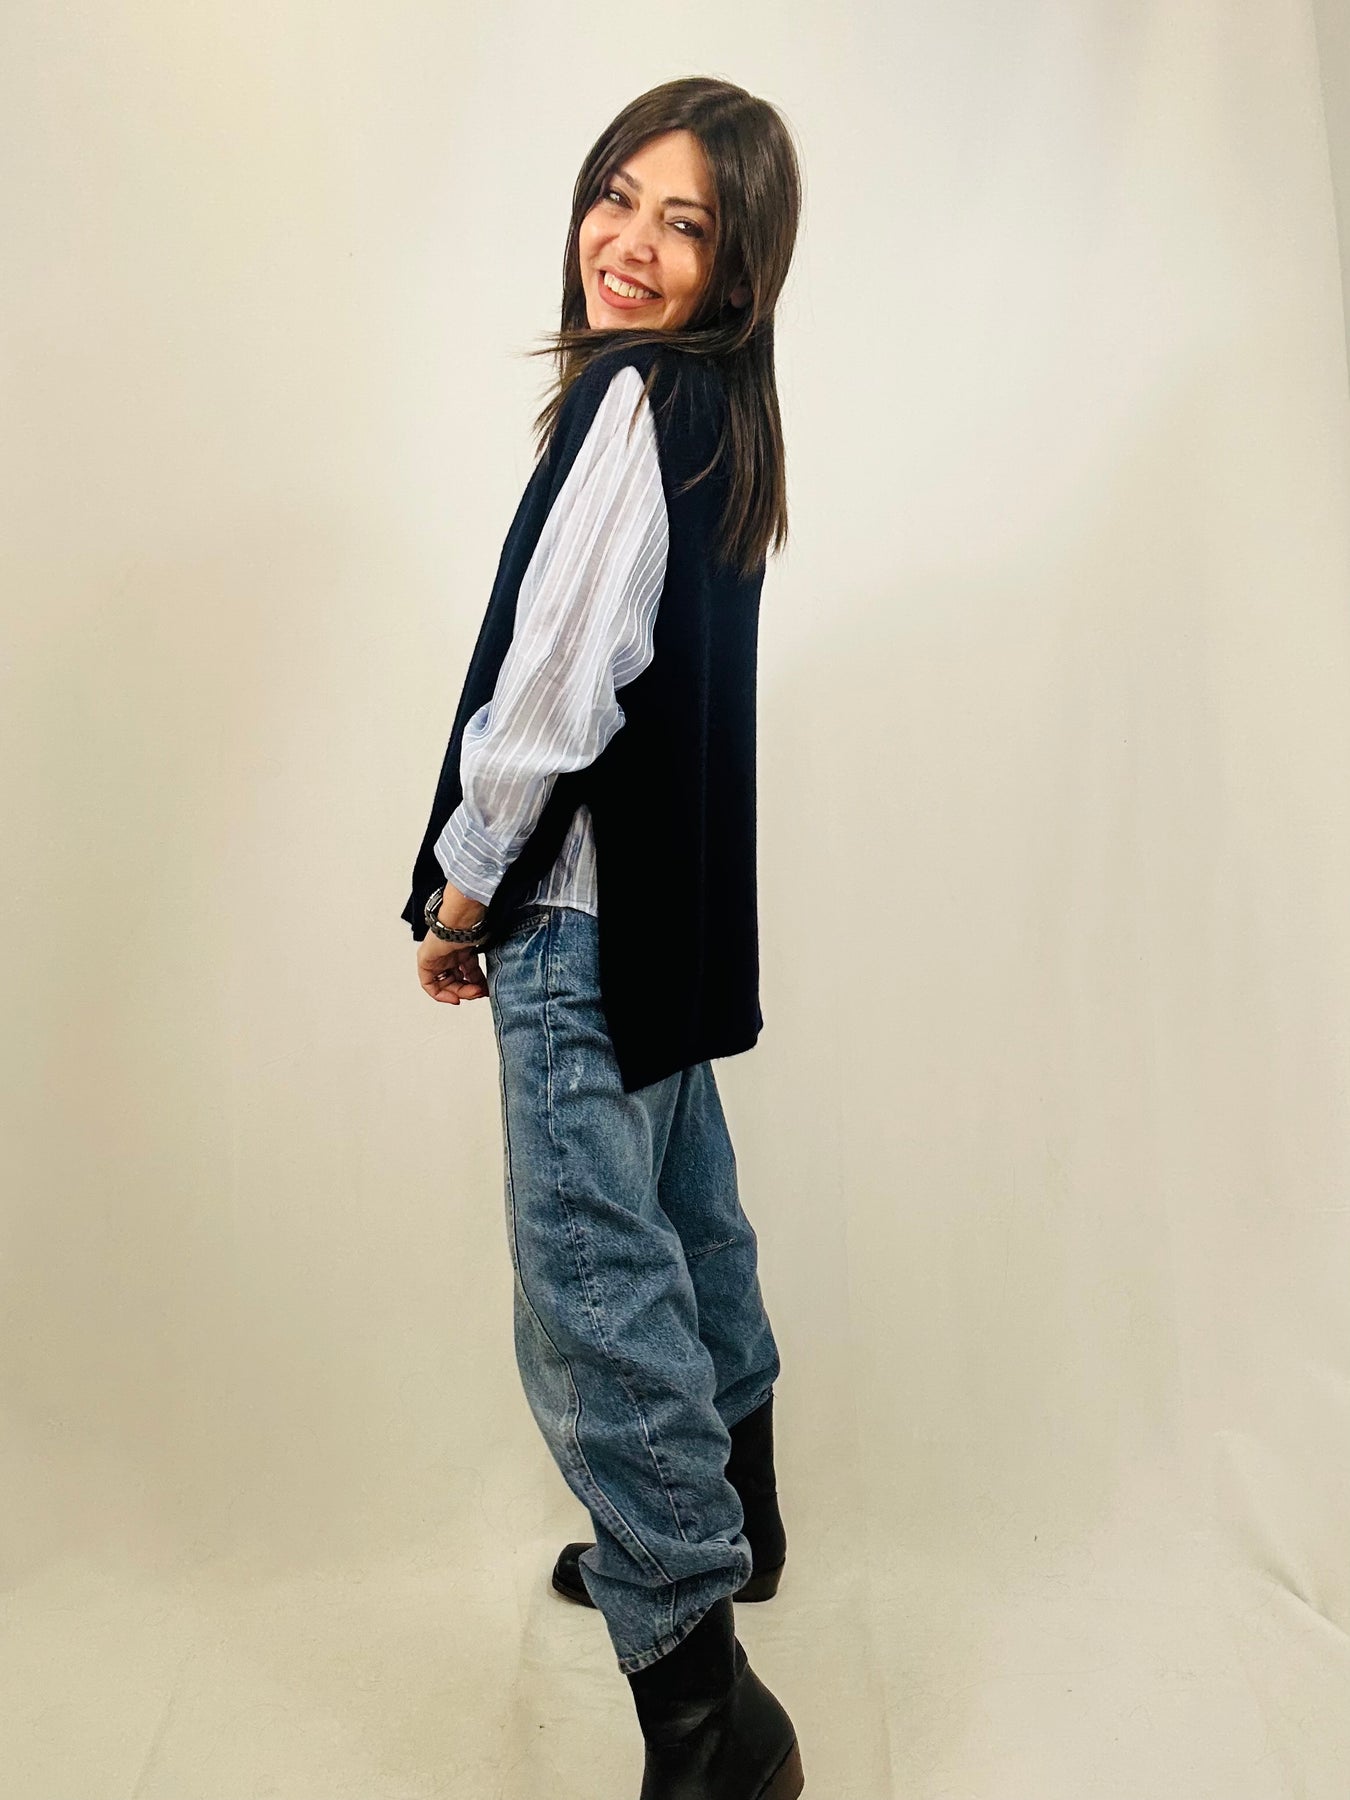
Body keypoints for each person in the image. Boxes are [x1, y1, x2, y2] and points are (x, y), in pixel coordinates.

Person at [400, 77, 804, 1800]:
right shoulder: (724, 417)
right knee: (686, 1219)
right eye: (615, 196)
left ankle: (707, 1705)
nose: (628, 244)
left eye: (682, 222)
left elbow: (556, 686)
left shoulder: (632, 399)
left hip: (579, 917)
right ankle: (739, 1521)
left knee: (589, 1298)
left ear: (736, 267)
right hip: (674, 920)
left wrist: (464, 885)